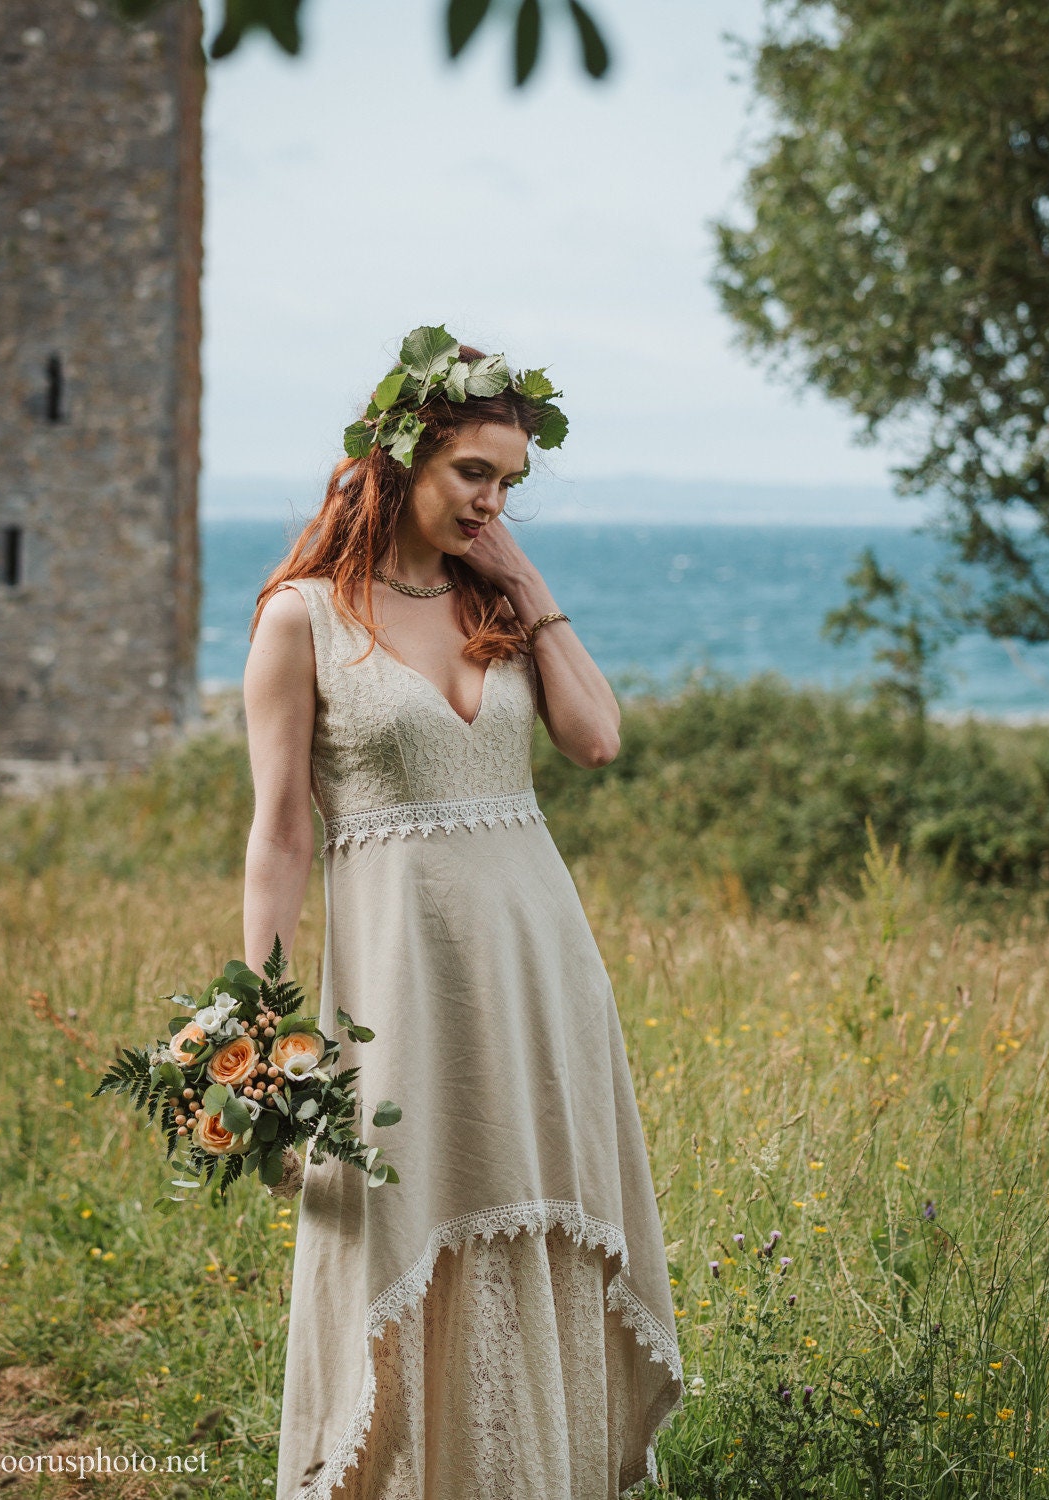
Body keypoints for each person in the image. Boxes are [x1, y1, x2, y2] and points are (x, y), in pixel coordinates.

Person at [242, 327, 684, 1500]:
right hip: (400, 983)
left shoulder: (500, 601)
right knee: (407, 1219)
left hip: (543, 970)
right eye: (472, 474)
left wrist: (532, 589)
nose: (491, 503)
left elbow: (596, 740)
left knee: (536, 1216)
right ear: (401, 458)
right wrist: (267, 1027)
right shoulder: (302, 620)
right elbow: (282, 832)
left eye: (510, 484)